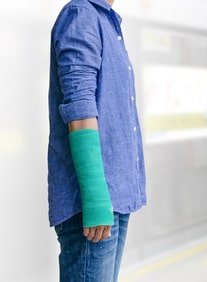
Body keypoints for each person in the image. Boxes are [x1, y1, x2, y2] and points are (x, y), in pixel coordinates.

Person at [48, 0, 146, 281]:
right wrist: (95, 196)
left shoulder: (108, 22)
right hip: (94, 198)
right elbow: (79, 107)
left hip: (116, 195)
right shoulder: (81, 16)